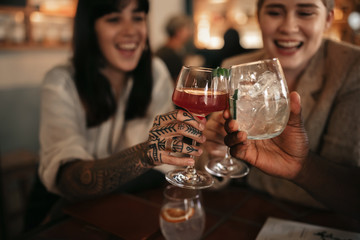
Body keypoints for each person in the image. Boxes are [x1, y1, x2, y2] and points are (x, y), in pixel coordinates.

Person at [26, 0, 206, 229]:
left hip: (124, 203)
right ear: (90, 27)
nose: (130, 31)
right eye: (114, 19)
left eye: (138, 17)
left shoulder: (155, 71)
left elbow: (167, 159)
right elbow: (69, 181)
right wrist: (144, 155)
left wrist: (205, 146)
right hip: (63, 210)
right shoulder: (61, 82)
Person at [203, 0, 360, 218]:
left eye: (305, 13)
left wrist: (300, 168)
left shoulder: (352, 68)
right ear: (259, 17)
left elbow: (349, 191)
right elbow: (211, 180)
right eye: (275, 12)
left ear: (328, 19)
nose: (288, 26)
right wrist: (216, 152)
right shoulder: (234, 67)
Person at [155, 15, 193, 82]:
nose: (190, 33)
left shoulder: (166, 50)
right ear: (178, 32)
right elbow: (180, 83)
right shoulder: (170, 55)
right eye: (187, 29)